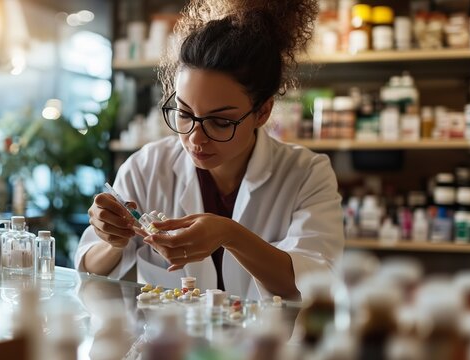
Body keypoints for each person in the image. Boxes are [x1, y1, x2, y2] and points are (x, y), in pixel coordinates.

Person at [75, 0, 343, 300]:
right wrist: (113, 240)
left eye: (219, 122)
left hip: (265, 344)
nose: (195, 138)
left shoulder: (307, 174)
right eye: (185, 114)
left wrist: (231, 235)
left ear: (263, 112)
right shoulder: (146, 167)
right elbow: (89, 271)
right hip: (169, 344)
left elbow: (314, 283)